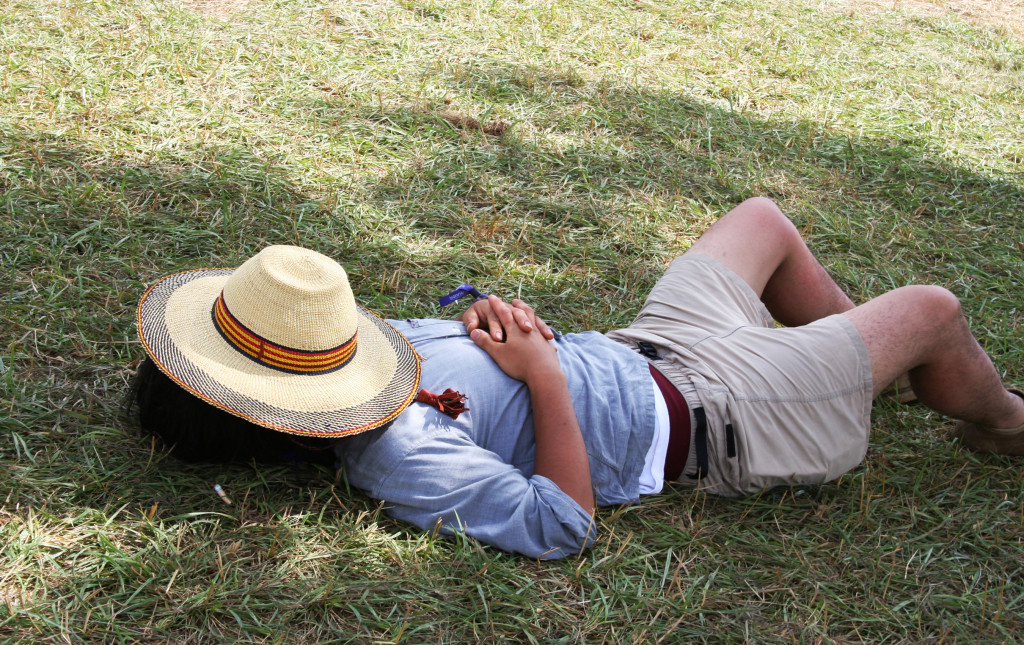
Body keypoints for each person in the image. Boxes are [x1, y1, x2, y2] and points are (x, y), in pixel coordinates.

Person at [131, 198, 1024, 559]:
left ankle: (880, 365)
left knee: (761, 221)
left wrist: (490, 315)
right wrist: (545, 376)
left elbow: (473, 342)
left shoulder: (358, 347)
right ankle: (1002, 422)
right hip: (728, 416)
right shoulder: (393, 451)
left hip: (655, 347)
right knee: (934, 308)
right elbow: (562, 525)